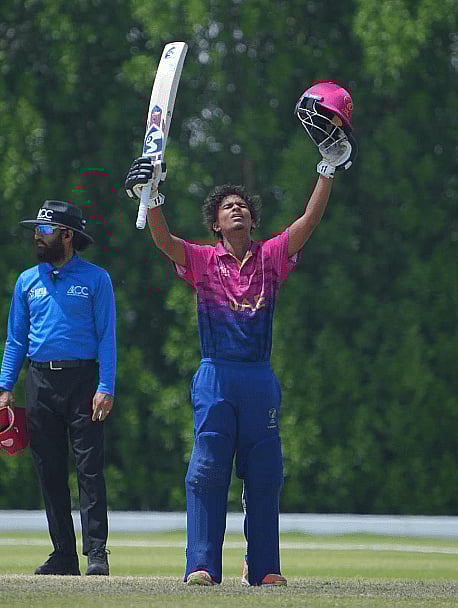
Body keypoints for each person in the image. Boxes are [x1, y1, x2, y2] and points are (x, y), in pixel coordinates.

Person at [125, 83, 355, 586]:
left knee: (266, 474)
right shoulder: (203, 261)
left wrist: (327, 168)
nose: (237, 209)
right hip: (216, 378)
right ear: (215, 223)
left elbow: (308, 221)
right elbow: (162, 240)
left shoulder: (271, 257)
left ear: (252, 219)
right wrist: (151, 195)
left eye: (243, 206)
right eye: (227, 207)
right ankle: (202, 565)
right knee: (207, 472)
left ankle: (265, 568)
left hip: (257, 378)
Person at [0, 200, 116, 576]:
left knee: (89, 469)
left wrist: (106, 386)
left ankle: (96, 552)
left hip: (84, 382)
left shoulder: (96, 279)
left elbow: (107, 336)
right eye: (37, 229)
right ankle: (63, 554)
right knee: (49, 470)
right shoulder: (26, 281)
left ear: (67, 235)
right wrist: (5, 386)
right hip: (40, 381)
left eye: (45, 229)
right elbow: (16, 339)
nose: (37, 235)